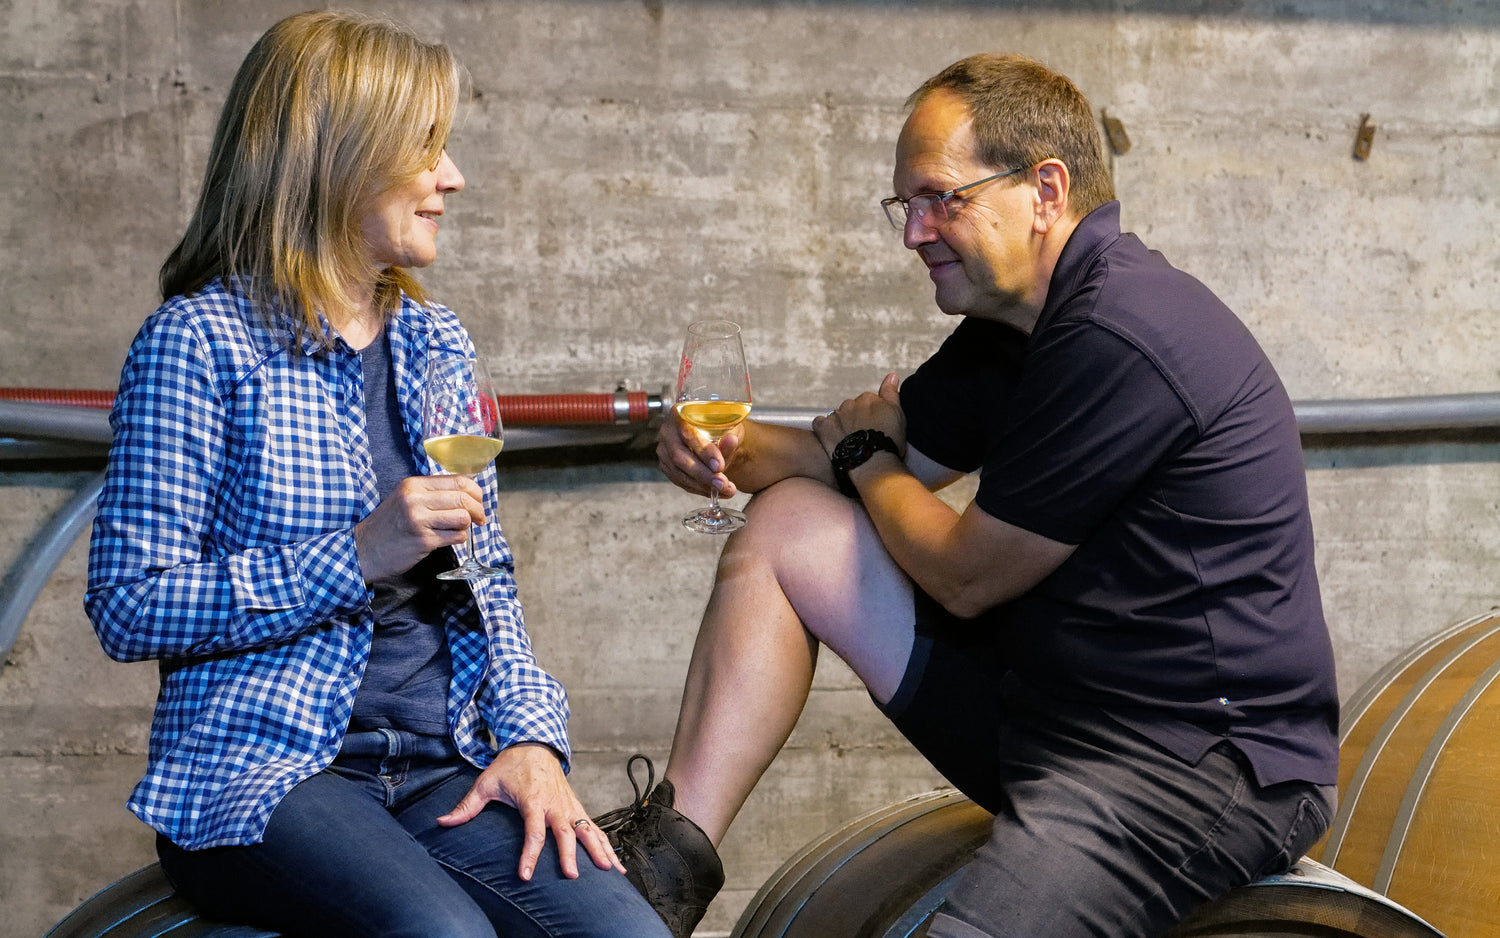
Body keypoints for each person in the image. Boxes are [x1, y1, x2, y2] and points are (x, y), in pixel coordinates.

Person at [599, 53, 1340, 938]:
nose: (914, 232)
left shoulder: (1123, 333)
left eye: (938, 198)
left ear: (1046, 189)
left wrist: (871, 458)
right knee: (792, 524)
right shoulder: (1013, 330)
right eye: (904, 207)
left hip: (1194, 766)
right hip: (1054, 717)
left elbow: (965, 576)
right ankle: (667, 869)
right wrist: (718, 443)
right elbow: (824, 458)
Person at [84, 11, 669, 938]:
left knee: (627, 934)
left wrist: (528, 738)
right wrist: (354, 555)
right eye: (427, 148)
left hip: (445, 760)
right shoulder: (197, 343)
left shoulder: (438, 344)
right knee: (441, 934)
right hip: (264, 772)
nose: (453, 178)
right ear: (335, 157)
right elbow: (128, 605)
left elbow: (492, 581)